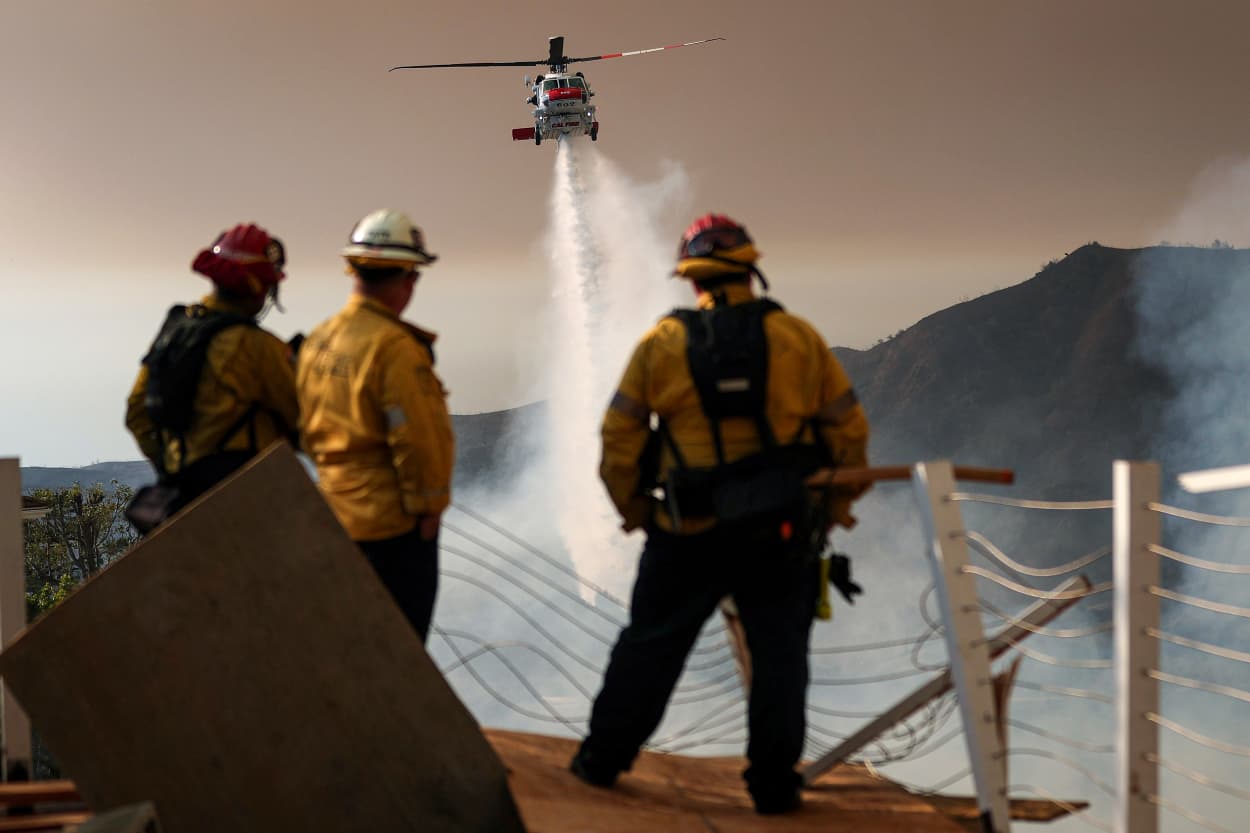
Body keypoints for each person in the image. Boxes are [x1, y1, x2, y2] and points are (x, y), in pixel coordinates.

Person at [569, 213, 871, 814]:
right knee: (779, 655)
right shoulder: (798, 339)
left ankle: (601, 762)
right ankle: (773, 787)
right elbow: (849, 434)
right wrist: (836, 508)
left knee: (650, 646)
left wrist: (636, 510)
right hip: (779, 531)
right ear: (751, 269)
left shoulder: (661, 344)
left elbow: (618, 439)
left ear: (691, 278)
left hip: (686, 531)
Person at [296, 209, 453, 644]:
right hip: (392, 529)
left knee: (347, 646)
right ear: (406, 278)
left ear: (354, 269)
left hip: (333, 516)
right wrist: (429, 510)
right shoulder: (395, 349)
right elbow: (417, 438)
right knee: (399, 651)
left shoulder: (319, 339)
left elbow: (305, 427)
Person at [125, 222, 299, 529]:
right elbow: (302, 418)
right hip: (246, 500)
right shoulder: (257, 346)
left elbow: (137, 413)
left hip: (180, 499)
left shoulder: (176, 330)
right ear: (258, 287)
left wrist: (171, 467)